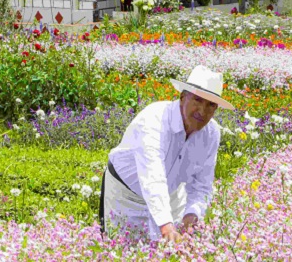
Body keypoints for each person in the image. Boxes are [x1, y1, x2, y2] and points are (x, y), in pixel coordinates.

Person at [98, 65, 234, 242]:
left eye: (210, 105)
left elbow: (202, 185)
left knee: (170, 250)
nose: (202, 111)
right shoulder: (154, 119)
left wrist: (191, 216)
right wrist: (166, 226)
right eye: (198, 101)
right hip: (126, 196)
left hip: (171, 197)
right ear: (183, 97)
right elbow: (152, 176)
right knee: (121, 249)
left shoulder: (211, 133)